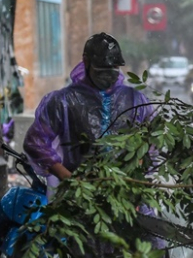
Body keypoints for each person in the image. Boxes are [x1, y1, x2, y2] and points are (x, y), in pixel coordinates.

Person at [23, 33, 153, 192]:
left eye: (113, 70)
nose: (108, 76)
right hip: (79, 193)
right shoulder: (63, 101)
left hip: (125, 192)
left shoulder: (135, 100)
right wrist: (68, 178)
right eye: (102, 71)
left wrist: (136, 177)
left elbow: (150, 139)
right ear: (86, 62)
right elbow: (36, 142)